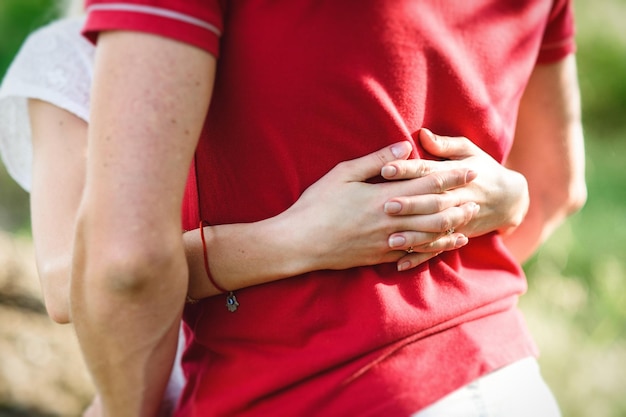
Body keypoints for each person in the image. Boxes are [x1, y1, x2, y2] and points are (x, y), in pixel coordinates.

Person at [68, 0, 586, 416]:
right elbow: (555, 188)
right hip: (506, 383)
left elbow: (125, 264)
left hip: (297, 392)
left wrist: (121, 406)